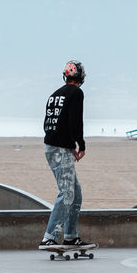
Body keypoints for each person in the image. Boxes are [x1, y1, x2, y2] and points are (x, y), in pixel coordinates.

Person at [39, 60, 90, 250]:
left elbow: (50, 123)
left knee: (75, 193)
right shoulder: (76, 93)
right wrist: (80, 144)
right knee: (67, 193)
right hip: (61, 149)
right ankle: (49, 237)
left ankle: (70, 236)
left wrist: (69, 146)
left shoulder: (54, 95)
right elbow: (75, 121)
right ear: (80, 77)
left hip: (52, 147)